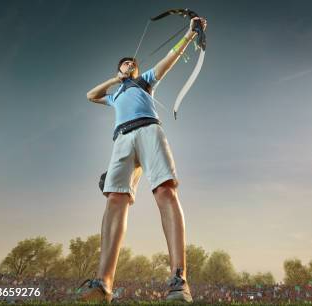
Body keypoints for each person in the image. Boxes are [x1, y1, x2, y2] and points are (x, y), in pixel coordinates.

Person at [81, 16, 207, 303]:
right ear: (118, 69)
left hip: (149, 130)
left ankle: (179, 279)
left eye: (132, 64)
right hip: (122, 139)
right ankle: (104, 284)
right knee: (115, 198)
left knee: (165, 190)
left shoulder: (145, 82)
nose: (130, 65)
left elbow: (169, 59)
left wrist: (189, 34)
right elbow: (90, 95)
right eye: (125, 64)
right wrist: (117, 80)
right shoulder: (114, 95)